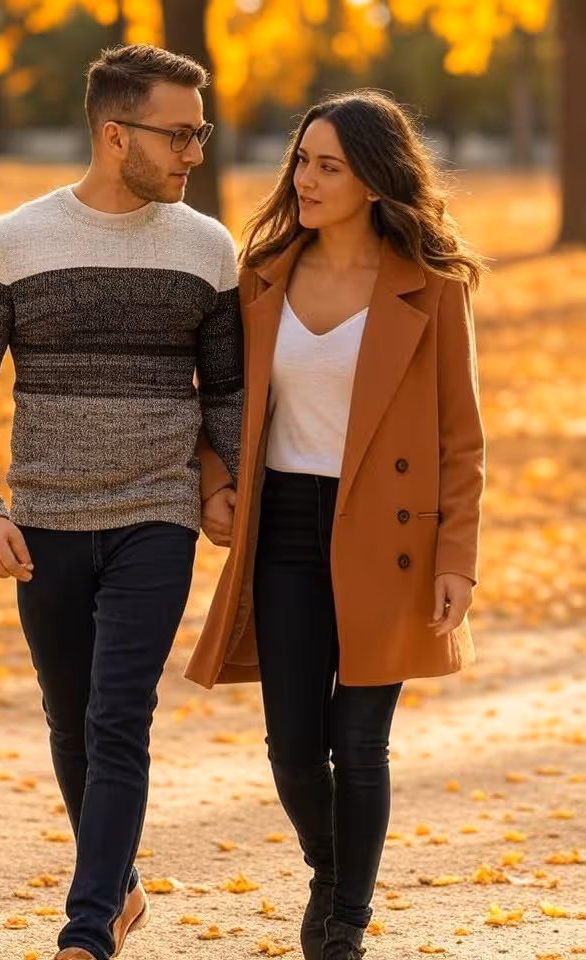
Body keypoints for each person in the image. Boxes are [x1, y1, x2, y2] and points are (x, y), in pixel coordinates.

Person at [0, 44, 242, 960]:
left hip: (157, 510)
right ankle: (120, 885)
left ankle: (86, 932)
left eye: (201, 133)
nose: (195, 152)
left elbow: (225, 391)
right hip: (44, 519)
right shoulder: (12, 240)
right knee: (69, 716)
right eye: (179, 134)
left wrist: (221, 483)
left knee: (118, 712)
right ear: (116, 135)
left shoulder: (208, 246)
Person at [185, 90, 486, 960]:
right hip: (281, 525)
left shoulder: (433, 287)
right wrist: (214, 480)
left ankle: (344, 921)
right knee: (291, 749)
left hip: (388, 535)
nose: (306, 180)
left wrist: (456, 561)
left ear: (375, 180)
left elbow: (461, 439)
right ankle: (334, 870)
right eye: (302, 161)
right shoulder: (262, 273)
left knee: (359, 743)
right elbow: (215, 401)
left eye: (329, 166)